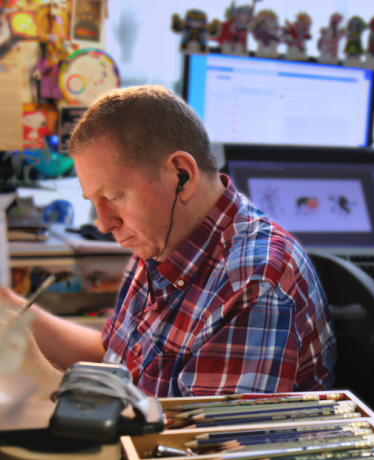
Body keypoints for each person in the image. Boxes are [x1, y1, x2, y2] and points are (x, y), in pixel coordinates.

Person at [0, 85, 336, 397]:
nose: (103, 223)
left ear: (182, 176)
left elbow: (198, 438)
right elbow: (117, 361)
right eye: (93, 201)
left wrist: (41, 376)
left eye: (114, 196)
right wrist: (11, 308)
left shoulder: (253, 283)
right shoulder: (160, 238)